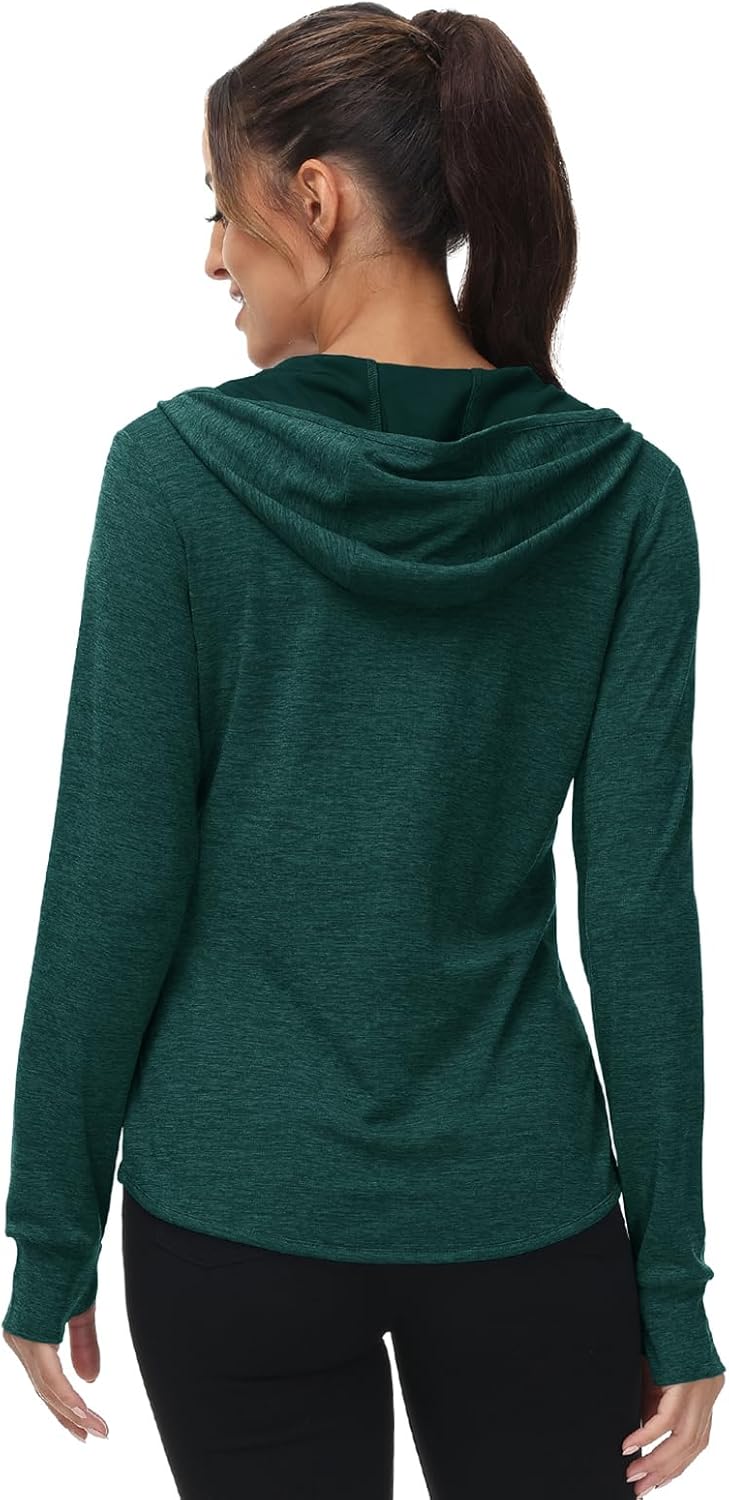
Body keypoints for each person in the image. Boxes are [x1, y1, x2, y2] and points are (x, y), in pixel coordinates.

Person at [2, 4, 725, 1496]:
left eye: (221, 209)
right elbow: (642, 917)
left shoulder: (175, 479)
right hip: (524, 1213)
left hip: (232, 1213)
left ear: (315, 199)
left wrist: (50, 1227)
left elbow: (115, 881)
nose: (214, 258)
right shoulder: (623, 499)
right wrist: (672, 1285)